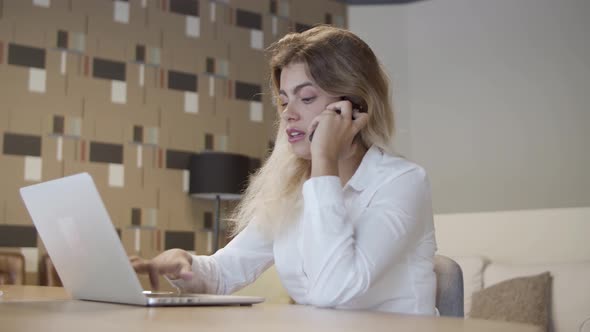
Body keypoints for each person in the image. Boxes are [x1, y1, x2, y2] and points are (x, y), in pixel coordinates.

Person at [131, 25, 437, 315]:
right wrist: (186, 267)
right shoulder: (293, 189)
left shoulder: (403, 183)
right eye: (284, 100)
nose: (289, 114)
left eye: (306, 98)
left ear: (353, 106)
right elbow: (224, 273)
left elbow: (333, 291)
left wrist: (324, 161)